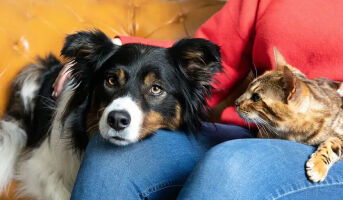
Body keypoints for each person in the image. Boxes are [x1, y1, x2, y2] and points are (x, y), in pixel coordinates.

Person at [54, 0, 343, 199]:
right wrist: (110, 51)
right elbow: (219, 59)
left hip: (329, 148)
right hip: (255, 129)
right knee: (111, 158)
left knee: (231, 163)